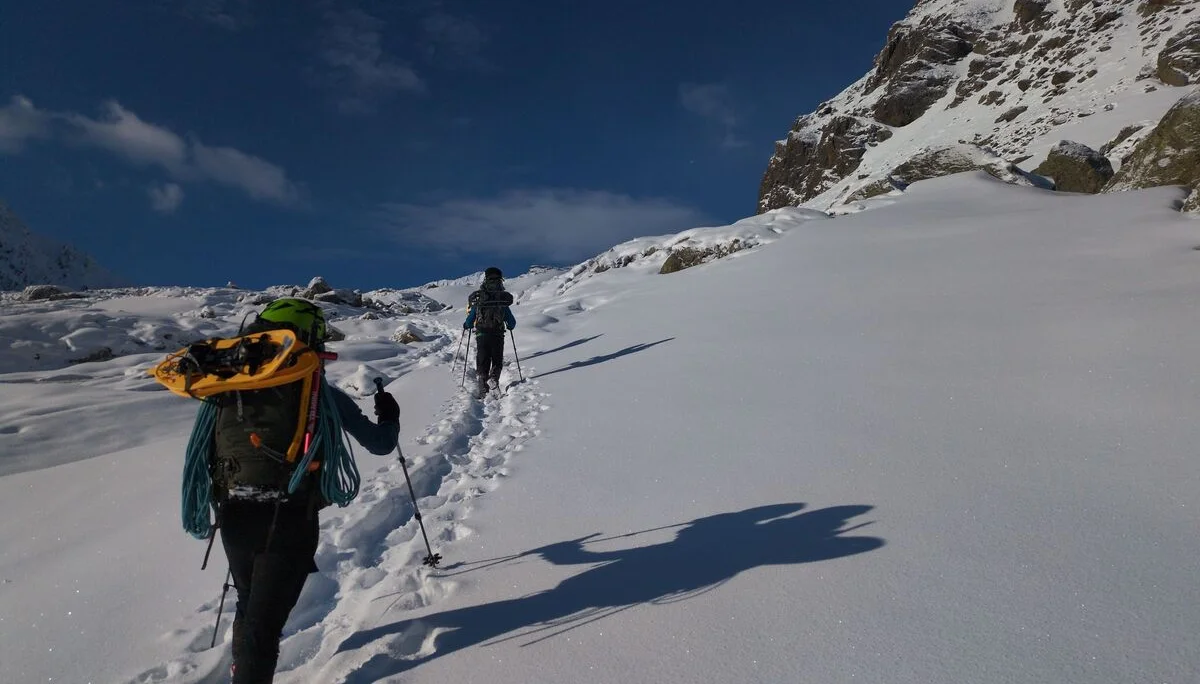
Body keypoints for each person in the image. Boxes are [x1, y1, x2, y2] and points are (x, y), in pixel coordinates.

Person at [209, 297, 401, 683]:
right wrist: (390, 414)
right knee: (265, 626)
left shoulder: (230, 386)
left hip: (233, 513)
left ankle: (239, 669)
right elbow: (380, 443)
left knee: (249, 602)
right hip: (290, 516)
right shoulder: (318, 393)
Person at [462, 266, 516, 395]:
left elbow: (470, 319)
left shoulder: (480, 298)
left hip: (481, 334)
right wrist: (509, 326)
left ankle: (482, 381)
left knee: (483, 358)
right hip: (497, 334)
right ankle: (493, 378)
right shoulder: (501, 299)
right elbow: (512, 322)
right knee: (497, 359)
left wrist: (466, 325)